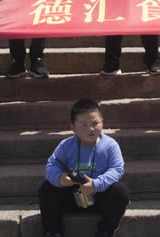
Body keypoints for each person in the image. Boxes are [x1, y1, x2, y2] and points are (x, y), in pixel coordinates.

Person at [39, 98, 129, 237]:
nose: (91, 129)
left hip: (99, 195)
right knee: (47, 189)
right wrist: (60, 179)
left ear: (102, 122)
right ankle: (53, 231)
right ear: (73, 127)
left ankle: (105, 231)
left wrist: (96, 184)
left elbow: (117, 169)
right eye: (84, 125)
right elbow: (52, 166)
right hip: (72, 195)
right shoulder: (66, 145)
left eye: (95, 123)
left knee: (120, 191)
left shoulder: (110, 145)